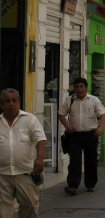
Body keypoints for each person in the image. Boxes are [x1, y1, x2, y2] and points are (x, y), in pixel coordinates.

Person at [0, 88, 46, 218]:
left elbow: (40, 139)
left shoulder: (30, 119)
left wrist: (40, 158)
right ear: (1, 104)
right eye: (7, 101)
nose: (11, 103)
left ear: (19, 102)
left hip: (25, 173)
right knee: (3, 211)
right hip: (2, 174)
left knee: (30, 206)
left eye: (14, 100)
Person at [58, 77, 105, 195]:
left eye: (81, 87)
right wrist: (67, 126)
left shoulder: (94, 100)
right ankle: (72, 185)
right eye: (77, 87)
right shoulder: (70, 100)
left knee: (91, 160)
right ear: (74, 89)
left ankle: (90, 184)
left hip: (90, 134)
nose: (79, 89)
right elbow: (61, 114)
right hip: (75, 135)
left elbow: (103, 115)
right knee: (74, 160)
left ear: (86, 88)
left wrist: (100, 128)